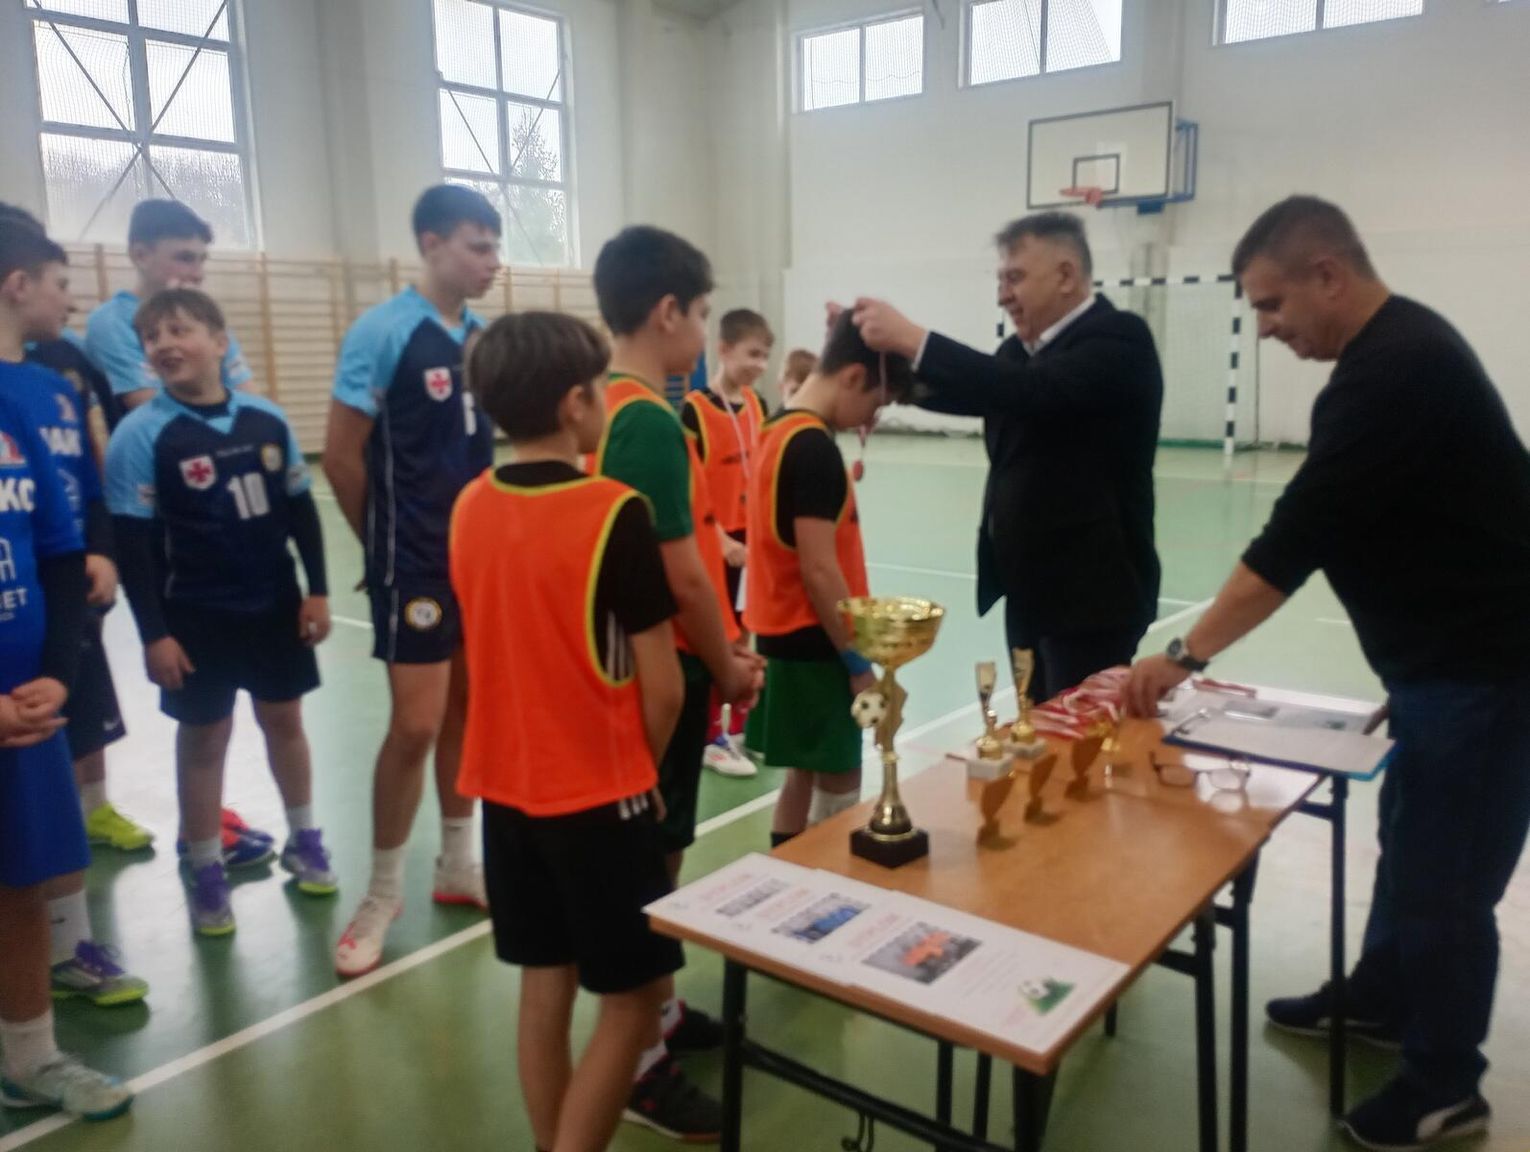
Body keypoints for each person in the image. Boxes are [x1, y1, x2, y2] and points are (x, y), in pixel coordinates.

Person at [1123, 196, 1530, 1151]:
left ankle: (1444, 1086)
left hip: (1488, 675)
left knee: (1445, 884)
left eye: (1272, 305)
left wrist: (1182, 657)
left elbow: (1290, 544)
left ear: (1328, 277)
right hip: (1449, 665)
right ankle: (1383, 996)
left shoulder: (1393, 372)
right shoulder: (1400, 354)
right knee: (1411, 844)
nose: (1266, 329)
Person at [453, 311, 686, 1152]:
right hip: (598, 796)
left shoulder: (469, 505)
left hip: (505, 796)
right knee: (634, 1001)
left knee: (543, 988)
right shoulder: (614, 511)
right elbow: (664, 688)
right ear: (575, 402)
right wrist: (639, 776)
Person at [591, 224, 763, 1141]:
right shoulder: (649, 419)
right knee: (649, 859)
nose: (702, 328)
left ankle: (657, 1011)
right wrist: (728, 658)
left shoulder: (610, 406)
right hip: (660, 672)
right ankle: (637, 1059)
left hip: (646, 665)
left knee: (664, 848)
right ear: (668, 314)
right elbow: (683, 572)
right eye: (700, 312)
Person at [853, 212, 1163, 702]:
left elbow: (1031, 391)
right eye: (1000, 281)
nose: (1003, 296)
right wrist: (885, 372)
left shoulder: (1119, 339)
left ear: (1065, 275)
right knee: (1032, 725)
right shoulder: (1020, 353)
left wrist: (912, 338)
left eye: (1014, 278)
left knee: (1078, 734)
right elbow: (982, 390)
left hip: (1092, 600)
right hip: (1029, 592)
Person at [106, 289, 337, 937]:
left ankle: (304, 838)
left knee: (284, 721)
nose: (164, 345)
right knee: (205, 739)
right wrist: (154, 634)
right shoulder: (141, 435)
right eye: (152, 337)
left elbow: (299, 509)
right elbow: (133, 546)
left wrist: (317, 590)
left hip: (274, 605)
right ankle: (206, 866)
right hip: (195, 617)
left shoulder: (266, 419)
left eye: (179, 330)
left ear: (219, 341)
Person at [324, 185, 500, 978]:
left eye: (495, 247)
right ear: (431, 244)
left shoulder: (482, 339)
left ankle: (457, 864)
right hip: (415, 563)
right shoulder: (384, 331)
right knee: (416, 724)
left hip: (476, 560)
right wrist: (384, 548)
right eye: (477, 245)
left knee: (466, 711)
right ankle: (381, 892)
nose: (492, 261)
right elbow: (341, 456)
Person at [0, 219, 132, 1122]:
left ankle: (30, 1055)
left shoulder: (31, 397)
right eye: (56, 277)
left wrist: (55, 674)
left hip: (27, 704)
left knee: (21, 881)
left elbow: (57, 545)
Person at [747, 312, 912, 845]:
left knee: (801, 776)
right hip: (818, 643)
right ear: (853, 377)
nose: (870, 421)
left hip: (782, 636)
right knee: (840, 780)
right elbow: (819, 570)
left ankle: (786, 877)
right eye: (875, 405)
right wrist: (858, 665)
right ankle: (823, 881)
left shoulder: (776, 428)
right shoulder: (813, 447)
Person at [681, 308, 772, 780]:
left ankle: (738, 722)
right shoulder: (694, 409)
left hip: (751, 538)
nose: (760, 365)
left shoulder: (757, 405)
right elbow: (688, 486)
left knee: (745, 630)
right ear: (724, 349)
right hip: (714, 540)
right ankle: (708, 737)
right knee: (714, 635)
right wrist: (717, 539)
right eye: (751, 354)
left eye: (765, 356)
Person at [84, 200, 253, 413]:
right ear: (141, 256)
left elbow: (250, 400)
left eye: (201, 260)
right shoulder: (112, 321)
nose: (198, 274)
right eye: (185, 259)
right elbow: (156, 413)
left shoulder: (204, 317)